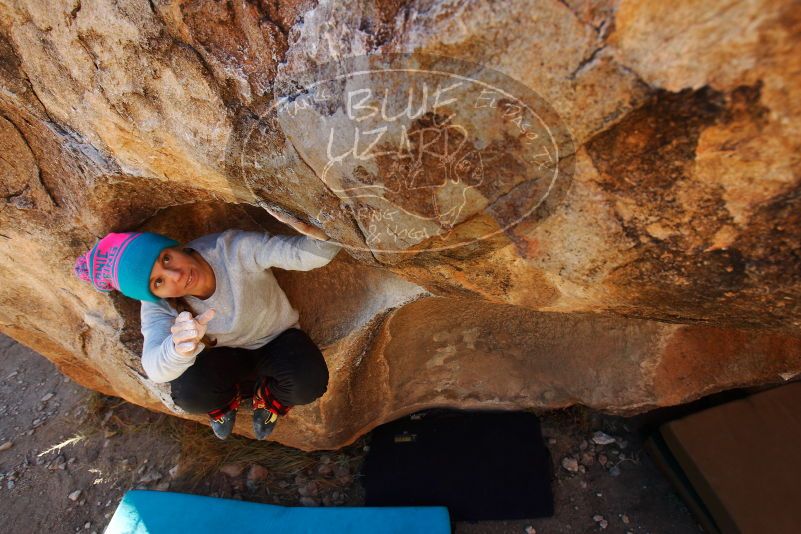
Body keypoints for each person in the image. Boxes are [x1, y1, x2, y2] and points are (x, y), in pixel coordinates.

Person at [72, 207, 342, 440]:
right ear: (153, 293)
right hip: (222, 354)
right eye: (159, 281)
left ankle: (269, 399)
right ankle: (225, 403)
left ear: (173, 246)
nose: (176, 275)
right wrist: (179, 350)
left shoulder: (230, 249)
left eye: (166, 259)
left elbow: (296, 254)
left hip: (276, 337)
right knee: (190, 394)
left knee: (308, 383)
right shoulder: (157, 305)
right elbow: (154, 367)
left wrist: (329, 232)